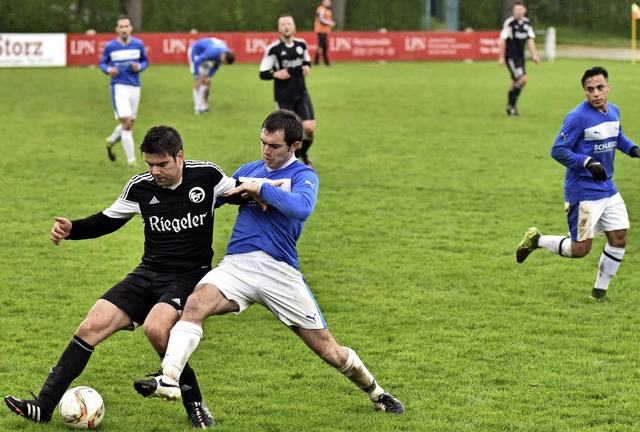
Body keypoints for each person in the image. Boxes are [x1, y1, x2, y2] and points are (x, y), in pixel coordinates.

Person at [133, 110, 405, 425]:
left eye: (274, 146)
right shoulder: (249, 169)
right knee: (195, 302)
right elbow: (209, 198)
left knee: (329, 350)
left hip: (280, 272)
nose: (266, 151)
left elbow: (301, 209)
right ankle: (169, 378)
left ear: (294, 145)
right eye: (263, 143)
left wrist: (260, 189)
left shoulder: (305, 176)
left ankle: (376, 392)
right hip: (237, 264)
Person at [4, 125, 242, 428]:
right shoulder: (140, 187)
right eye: (149, 164)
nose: (155, 171)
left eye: (162, 164)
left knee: (156, 329)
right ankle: (43, 405)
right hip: (148, 272)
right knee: (92, 324)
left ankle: (195, 404)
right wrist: (72, 229)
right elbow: (108, 219)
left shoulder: (206, 176)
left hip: (187, 277)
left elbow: (240, 192)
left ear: (180, 156)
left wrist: (269, 194)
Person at [516, 66, 640, 302]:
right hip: (583, 191)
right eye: (590, 89)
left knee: (619, 238)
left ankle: (599, 293)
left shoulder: (614, 111)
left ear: (608, 87)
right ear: (584, 91)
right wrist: (586, 161)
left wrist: (633, 149)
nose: (595, 93)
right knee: (580, 250)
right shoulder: (577, 117)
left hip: (608, 188)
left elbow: (617, 137)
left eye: (600, 88)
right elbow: (558, 150)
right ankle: (536, 240)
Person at [260, 15, 317, 168]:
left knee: (310, 129)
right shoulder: (273, 49)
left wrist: (307, 67)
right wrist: (275, 74)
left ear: (294, 27)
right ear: (279, 28)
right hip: (283, 96)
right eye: (283, 24)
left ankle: (302, 152)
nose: (286, 26)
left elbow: (307, 60)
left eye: (289, 24)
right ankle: (289, 166)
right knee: (286, 134)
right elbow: (263, 72)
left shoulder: (302, 44)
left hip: (301, 93)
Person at [100, 15, 149, 167]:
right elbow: (102, 63)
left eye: (126, 26)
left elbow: (145, 61)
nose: (124, 29)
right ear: (116, 29)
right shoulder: (110, 46)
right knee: (126, 123)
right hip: (118, 86)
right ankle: (131, 160)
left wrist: (140, 67)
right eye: (121, 27)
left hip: (135, 86)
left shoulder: (138, 44)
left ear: (131, 28)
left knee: (129, 123)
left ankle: (111, 140)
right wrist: (108, 69)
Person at [498, 1, 539, 116]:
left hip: (521, 57)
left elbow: (530, 39)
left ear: (524, 10)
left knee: (514, 82)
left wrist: (534, 54)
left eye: (520, 10)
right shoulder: (510, 23)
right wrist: (501, 57)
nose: (518, 12)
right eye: (516, 10)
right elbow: (502, 40)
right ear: (513, 11)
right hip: (511, 56)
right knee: (523, 79)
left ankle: (511, 107)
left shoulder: (527, 23)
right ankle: (511, 106)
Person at [188, 37, 235, 114]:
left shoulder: (224, 53)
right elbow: (197, 61)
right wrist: (197, 75)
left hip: (204, 55)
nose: (223, 63)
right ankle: (197, 107)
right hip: (195, 52)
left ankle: (204, 106)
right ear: (223, 56)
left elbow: (217, 65)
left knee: (206, 81)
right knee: (199, 80)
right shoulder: (212, 52)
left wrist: (209, 76)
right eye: (224, 61)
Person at [314, 0, 335, 66]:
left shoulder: (327, 10)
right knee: (322, 46)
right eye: (326, 1)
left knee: (323, 46)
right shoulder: (321, 9)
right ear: (323, 2)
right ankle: (322, 61)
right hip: (321, 31)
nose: (328, 3)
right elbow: (321, 19)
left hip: (325, 31)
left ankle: (318, 61)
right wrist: (330, 23)